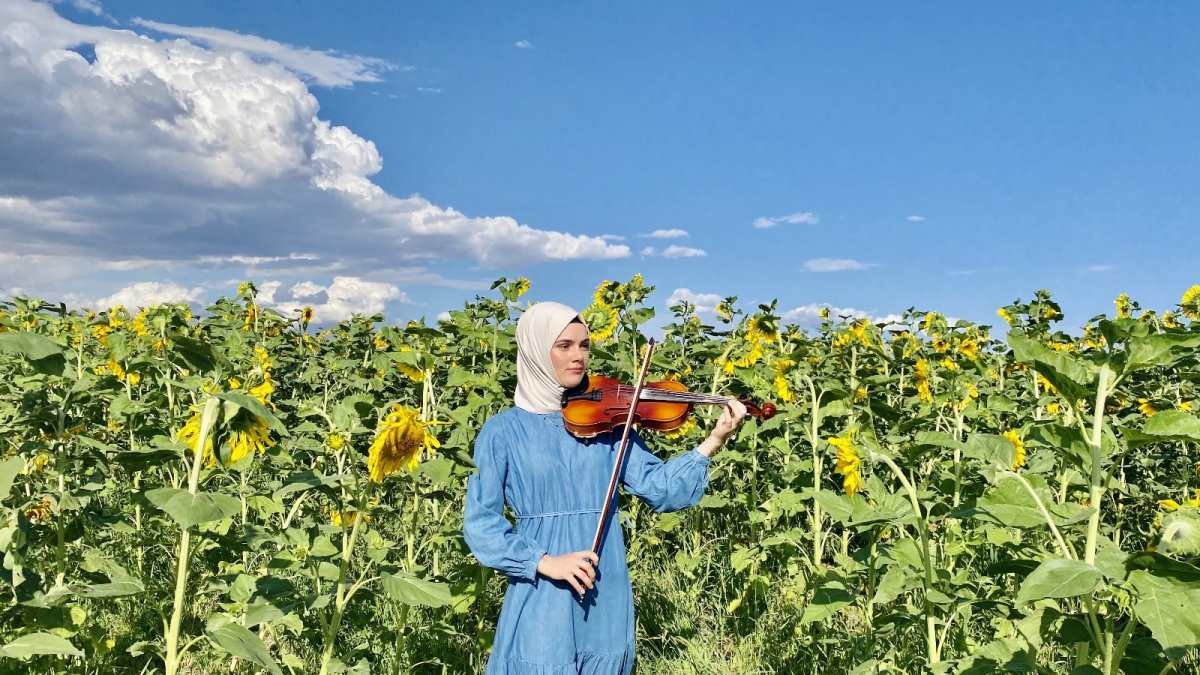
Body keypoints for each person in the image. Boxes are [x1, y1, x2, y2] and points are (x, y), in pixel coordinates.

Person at [463, 301, 746, 674]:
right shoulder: (502, 431)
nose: (578, 357)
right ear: (535, 350)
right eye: (564, 346)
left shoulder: (609, 424)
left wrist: (713, 441)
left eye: (584, 345)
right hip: (542, 585)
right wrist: (544, 562)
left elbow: (659, 488)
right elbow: (480, 523)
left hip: (604, 580)